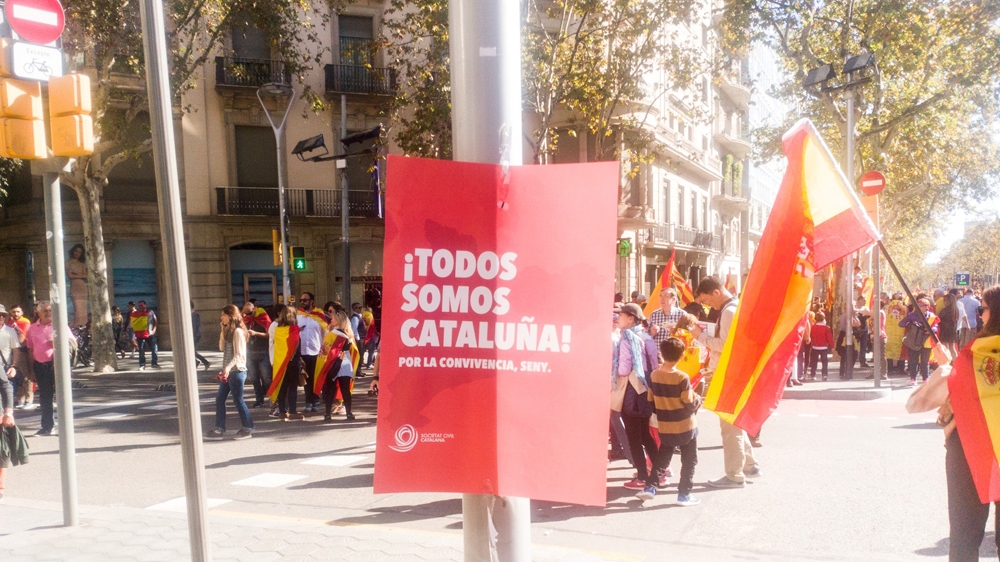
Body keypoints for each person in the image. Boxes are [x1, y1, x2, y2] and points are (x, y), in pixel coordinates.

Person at [906, 286, 1000, 561]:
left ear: (993, 314)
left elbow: (916, 403)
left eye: (982, 309)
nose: (980, 314)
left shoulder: (971, 358)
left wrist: (947, 367)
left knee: (964, 535)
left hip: (970, 447)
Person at [690, 276, 760, 488]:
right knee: (734, 421)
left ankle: (734, 475)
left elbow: (725, 345)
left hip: (729, 372)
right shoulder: (734, 307)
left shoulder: (729, 312)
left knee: (729, 426)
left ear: (716, 293)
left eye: (708, 301)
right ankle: (749, 465)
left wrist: (699, 335)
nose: (708, 305)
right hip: (736, 371)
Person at [636, 337, 701, 506]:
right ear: (681, 356)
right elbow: (688, 403)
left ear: (662, 354)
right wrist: (698, 400)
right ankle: (684, 494)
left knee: (662, 458)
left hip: (665, 425)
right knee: (689, 459)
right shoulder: (682, 377)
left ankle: (650, 487)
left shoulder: (655, 375)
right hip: (686, 425)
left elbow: (651, 399)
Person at [613, 303, 660, 490]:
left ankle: (641, 476)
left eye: (621, 315)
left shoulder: (627, 339)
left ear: (631, 318)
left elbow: (624, 369)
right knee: (645, 435)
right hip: (646, 389)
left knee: (633, 436)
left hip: (631, 392)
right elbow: (654, 362)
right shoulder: (646, 336)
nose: (618, 318)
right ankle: (658, 471)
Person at [204, 305, 253, 440]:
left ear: (230, 317)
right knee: (220, 399)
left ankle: (247, 428)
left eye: (223, 315)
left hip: (237, 371)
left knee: (238, 400)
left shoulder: (238, 332)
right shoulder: (228, 331)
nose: (221, 318)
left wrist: (228, 367)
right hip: (229, 371)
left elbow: (239, 354)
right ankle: (219, 429)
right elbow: (221, 348)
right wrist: (222, 331)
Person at [320, 309, 359, 422]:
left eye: (333, 318)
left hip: (336, 362)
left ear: (339, 320)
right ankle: (348, 413)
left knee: (333, 388)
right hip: (344, 362)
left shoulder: (334, 334)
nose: (331, 319)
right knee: (344, 388)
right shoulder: (347, 335)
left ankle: (328, 414)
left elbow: (324, 349)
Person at [25, 302, 55, 436]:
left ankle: (66, 426)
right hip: (40, 366)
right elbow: (30, 350)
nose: (48, 313)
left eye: (50, 310)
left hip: (56, 366)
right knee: (45, 397)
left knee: (63, 396)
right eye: (45, 311)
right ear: (38, 313)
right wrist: (31, 371)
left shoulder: (59, 325)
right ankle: (47, 426)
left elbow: (73, 343)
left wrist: (57, 343)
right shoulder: (32, 328)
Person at [268, 305, 303, 421]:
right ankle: (292, 411)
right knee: (292, 387)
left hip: (280, 362)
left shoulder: (277, 329)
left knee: (282, 387)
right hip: (292, 361)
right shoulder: (294, 328)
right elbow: (295, 345)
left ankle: (282, 411)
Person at [297, 292, 327, 413]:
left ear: (311, 301)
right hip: (302, 351)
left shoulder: (319, 315)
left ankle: (316, 401)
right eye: (301, 300)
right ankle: (308, 402)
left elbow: (325, 334)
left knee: (316, 378)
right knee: (306, 378)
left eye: (305, 300)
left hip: (316, 351)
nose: (302, 302)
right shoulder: (297, 315)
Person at [0, 305, 18, 500]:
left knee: (1, 450)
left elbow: (6, 387)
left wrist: (9, 412)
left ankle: (1, 487)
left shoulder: (9, 332)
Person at [900, 298, 939, 385]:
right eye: (918, 305)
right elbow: (902, 323)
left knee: (925, 361)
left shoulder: (931, 316)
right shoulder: (912, 315)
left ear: (927, 307)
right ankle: (913, 378)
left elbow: (936, 327)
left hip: (926, 341)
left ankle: (925, 378)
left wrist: (930, 330)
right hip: (914, 341)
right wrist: (910, 324)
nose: (919, 307)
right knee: (913, 360)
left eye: (921, 305)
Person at [241, 300, 272, 407]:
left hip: (263, 351)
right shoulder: (244, 319)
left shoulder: (263, 316)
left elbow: (270, 335)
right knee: (254, 378)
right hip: (250, 352)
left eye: (250, 313)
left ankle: (274, 399)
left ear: (254, 309)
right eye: (246, 313)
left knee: (267, 378)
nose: (248, 315)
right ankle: (259, 399)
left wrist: (256, 333)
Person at [129, 300, 159, 370]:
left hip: (150, 334)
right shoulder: (136, 314)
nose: (140, 307)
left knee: (154, 349)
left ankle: (154, 363)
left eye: (141, 305)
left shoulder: (151, 312)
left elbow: (155, 321)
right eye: (139, 306)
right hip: (140, 335)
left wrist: (154, 330)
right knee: (141, 350)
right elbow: (133, 324)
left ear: (145, 305)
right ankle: (142, 365)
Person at [884, 293, 909, 374]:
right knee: (901, 350)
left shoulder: (886, 308)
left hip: (889, 332)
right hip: (901, 332)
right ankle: (900, 369)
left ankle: (890, 368)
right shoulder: (905, 309)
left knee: (889, 350)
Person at [66, 244, 88, 327]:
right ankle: (76, 327)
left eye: (79, 252)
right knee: (77, 309)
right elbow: (70, 276)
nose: (77, 253)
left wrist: (76, 274)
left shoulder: (82, 264)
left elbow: (86, 276)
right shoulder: (68, 262)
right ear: (73, 251)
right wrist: (81, 275)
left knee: (83, 310)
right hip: (74, 288)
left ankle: (83, 327)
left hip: (82, 287)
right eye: (76, 251)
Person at [809, 312, 834, 381]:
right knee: (824, 362)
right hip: (824, 347)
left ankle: (813, 375)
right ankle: (824, 375)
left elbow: (811, 336)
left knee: (814, 362)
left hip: (815, 347)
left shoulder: (813, 328)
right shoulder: (826, 328)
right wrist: (832, 346)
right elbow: (829, 338)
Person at [937, 293, 961, 359]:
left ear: (947, 301)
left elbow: (938, 319)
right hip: (953, 331)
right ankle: (955, 363)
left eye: (944, 300)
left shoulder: (945, 310)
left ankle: (946, 362)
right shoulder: (955, 310)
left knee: (945, 347)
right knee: (952, 348)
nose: (943, 302)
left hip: (944, 331)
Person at [190, 302, 211, 370]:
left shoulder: (195, 315)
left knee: (191, 350)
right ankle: (198, 362)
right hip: (194, 335)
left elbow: (196, 326)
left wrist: (192, 334)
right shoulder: (192, 314)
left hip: (195, 335)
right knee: (192, 350)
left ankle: (205, 362)